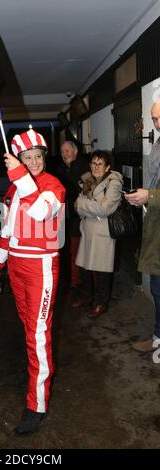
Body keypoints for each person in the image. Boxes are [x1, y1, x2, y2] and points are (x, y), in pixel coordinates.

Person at [0, 128, 66, 435]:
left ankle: (37, 404)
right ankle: (37, 373)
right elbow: (8, 231)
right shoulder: (14, 188)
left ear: (44, 158)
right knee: (28, 328)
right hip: (17, 266)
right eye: (26, 158)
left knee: (38, 334)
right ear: (19, 158)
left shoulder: (53, 186)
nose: (33, 162)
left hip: (40, 268)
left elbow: (42, 212)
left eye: (37, 156)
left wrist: (20, 175)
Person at [126, 100, 160, 353]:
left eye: (159, 118)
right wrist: (143, 197)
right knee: (158, 289)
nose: (157, 124)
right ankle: (158, 337)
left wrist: (149, 196)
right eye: (155, 119)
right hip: (156, 226)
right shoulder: (158, 144)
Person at [72, 150, 123, 318]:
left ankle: (101, 303)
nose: (95, 167)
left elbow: (106, 208)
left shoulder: (114, 182)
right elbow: (76, 205)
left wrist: (85, 205)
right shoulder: (88, 180)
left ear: (107, 167)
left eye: (100, 164)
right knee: (84, 267)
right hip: (87, 229)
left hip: (103, 233)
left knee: (102, 271)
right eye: (93, 163)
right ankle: (87, 297)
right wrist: (89, 206)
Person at [56, 141, 89, 292]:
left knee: (84, 252)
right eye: (62, 152)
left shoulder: (84, 167)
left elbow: (90, 189)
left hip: (83, 217)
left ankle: (87, 285)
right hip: (66, 217)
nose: (64, 154)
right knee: (71, 252)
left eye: (67, 151)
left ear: (75, 151)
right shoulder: (59, 170)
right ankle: (75, 283)